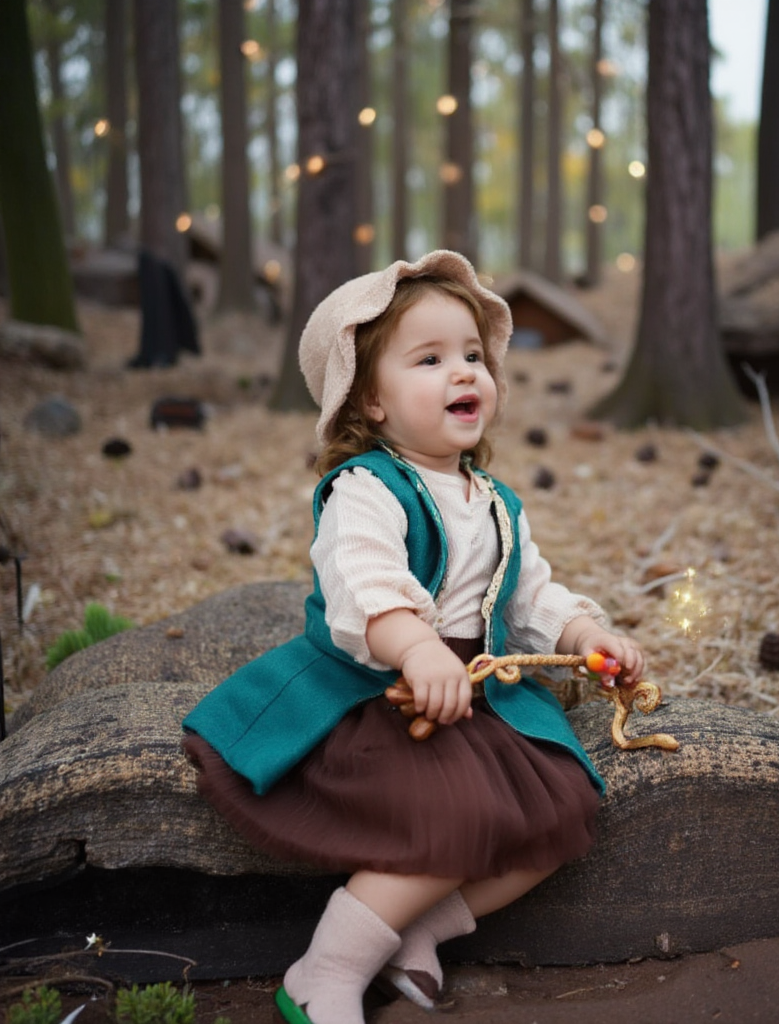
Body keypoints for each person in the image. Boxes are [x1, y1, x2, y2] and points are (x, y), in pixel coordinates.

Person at [181, 250, 645, 1024]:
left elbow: (528, 592)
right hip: (382, 690)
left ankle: (420, 924)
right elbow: (365, 586)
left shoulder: (494, 502)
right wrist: (418, 645)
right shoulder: (365, 489)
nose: (463, 373)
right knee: (455, 813)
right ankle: (322, 972)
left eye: (471, 355)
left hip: (476, 690)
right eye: (429, 359)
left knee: (564, 811)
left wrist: (585, 631)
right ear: (370, 402)